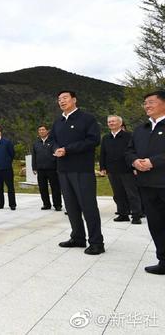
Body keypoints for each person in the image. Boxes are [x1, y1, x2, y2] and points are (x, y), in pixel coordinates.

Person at [49, 90, 104, 255]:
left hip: (82, 170)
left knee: (88, 207)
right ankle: (78, 237)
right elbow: (52, 140)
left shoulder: (87, 119)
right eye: (59, 99)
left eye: (65, 98)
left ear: (74, 100)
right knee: (71, 207)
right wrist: (56, 149)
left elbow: (93, 140)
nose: (61, 101)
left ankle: (96, 242)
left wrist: (68, 149)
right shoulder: (58, 122)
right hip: (63, 169)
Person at [126, 91, 165, 274]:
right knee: (155, 224)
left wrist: (153, 162)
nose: (146, 106)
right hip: (147, 185)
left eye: (151, 102)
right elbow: (129, 151)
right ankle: (163, 261)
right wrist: (134, 161)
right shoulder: (141, 129)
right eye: (145, 103)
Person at [101, 115, 141, 224]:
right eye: (109, 122)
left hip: (127, 169)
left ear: (120, 123)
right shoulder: (105, 138)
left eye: (113, 121)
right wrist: (102, 167)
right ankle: (123, 214)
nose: (111, 123)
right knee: (118, 194)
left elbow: (134, 151)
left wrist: (134, 166)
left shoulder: (129, 136)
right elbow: (103, 153)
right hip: (112, 170)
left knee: (131, 193)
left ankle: (136, 215)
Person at [32, 124, 62, 211]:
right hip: (40, 169)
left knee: (55, 188)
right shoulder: (36, 143)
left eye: (43, 129)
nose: (41, 131)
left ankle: (57, 205)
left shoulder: (53, 142)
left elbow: (56, 150)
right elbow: (34, 156)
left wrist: (57, 151)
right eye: (40, 130)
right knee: (42, 188)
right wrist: (34, 167)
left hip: (52, 169)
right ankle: (46, 204)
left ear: (47, 131)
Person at [0, 127, 17, 210]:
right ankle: (0, 204)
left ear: (0, 133)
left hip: (7, 169)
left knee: (10, 187)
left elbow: (12, 154)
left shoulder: (7, 142)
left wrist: (7, 162)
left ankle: (12, 204)